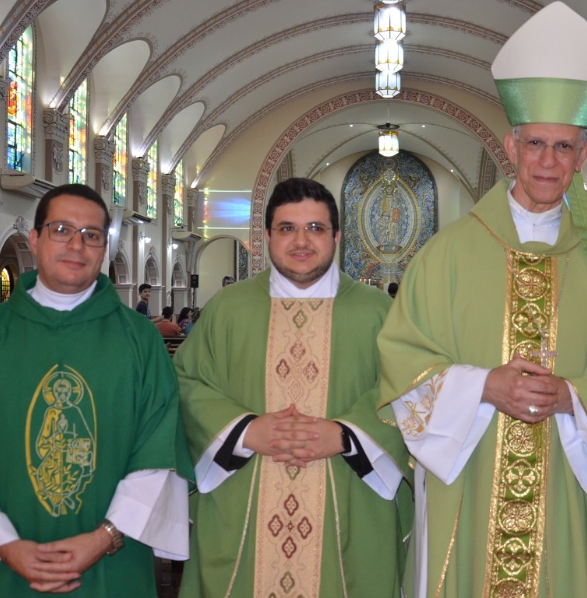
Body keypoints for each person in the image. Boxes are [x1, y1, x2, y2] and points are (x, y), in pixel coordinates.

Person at [377, 2, 587, 597]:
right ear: (511, 145)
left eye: (563, 148)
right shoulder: (445, 254)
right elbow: (401, 363)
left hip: (565, 491)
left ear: (581, 157)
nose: (548, 162)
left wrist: (570, 395)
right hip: (466, 486)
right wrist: (484, 386)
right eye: (535, 145)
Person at [0, 184, 193, 597]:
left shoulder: (140, 341)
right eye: (61, 229)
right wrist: (7, 545)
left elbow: (159, 454)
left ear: (103, 248)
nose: (77, 244)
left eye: (92, 234)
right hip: (5, 565)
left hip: (112, 561)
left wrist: (105, 536)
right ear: (35, 239)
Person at [176, 177, 412, 597]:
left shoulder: (379, 313)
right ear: (266, 236)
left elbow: (409, 390)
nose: (301, 241)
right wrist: (246, 430)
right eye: (287, 228)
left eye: (316, 229)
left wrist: (345, 435)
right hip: (244, 497)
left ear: (337, 236)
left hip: (349, 499)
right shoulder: (227, 309)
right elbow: (186, 383)